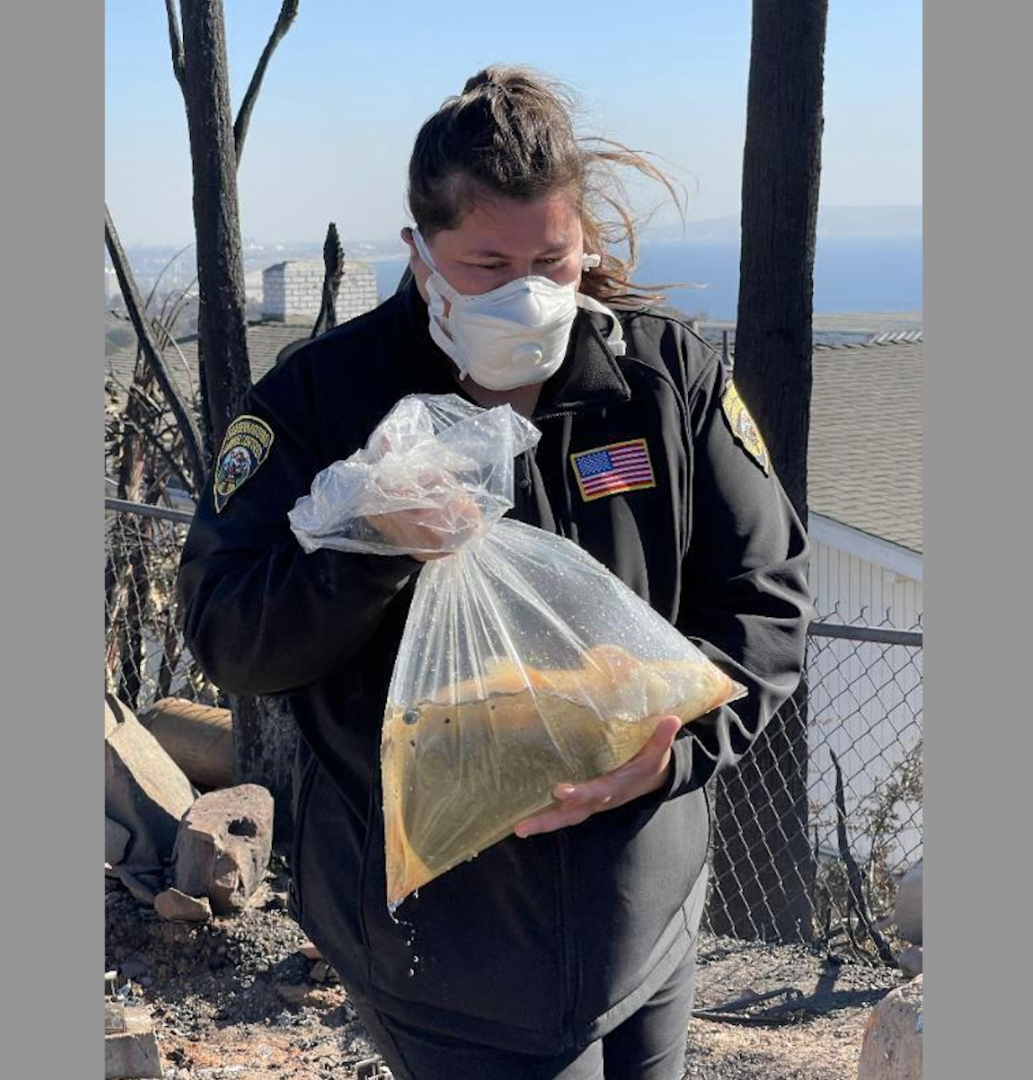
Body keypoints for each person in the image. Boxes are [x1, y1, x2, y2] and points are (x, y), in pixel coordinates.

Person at [177, 65, 812, 1080]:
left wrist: (674, 751)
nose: (524, 292)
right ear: (419, 253)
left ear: (583, 245)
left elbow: (766, 599)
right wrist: (366, 546)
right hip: (442, 951)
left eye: (550, 260)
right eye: (484, 262)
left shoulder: (657, 378)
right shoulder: (323, 400)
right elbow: (228, 637)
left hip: (642, 912)